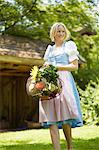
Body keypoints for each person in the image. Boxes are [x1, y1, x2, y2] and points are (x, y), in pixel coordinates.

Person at [39, 22, 83, 150]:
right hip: (49, 84)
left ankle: (70, 147)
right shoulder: (50, 49)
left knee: (65, 117)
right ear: (53, 33)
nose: (61, 33)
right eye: (58, 31)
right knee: (51, 118)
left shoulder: (69, 46)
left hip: (64, 83)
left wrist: (56, 67)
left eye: (63, 31)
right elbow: (45, 66)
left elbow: (74, 66)